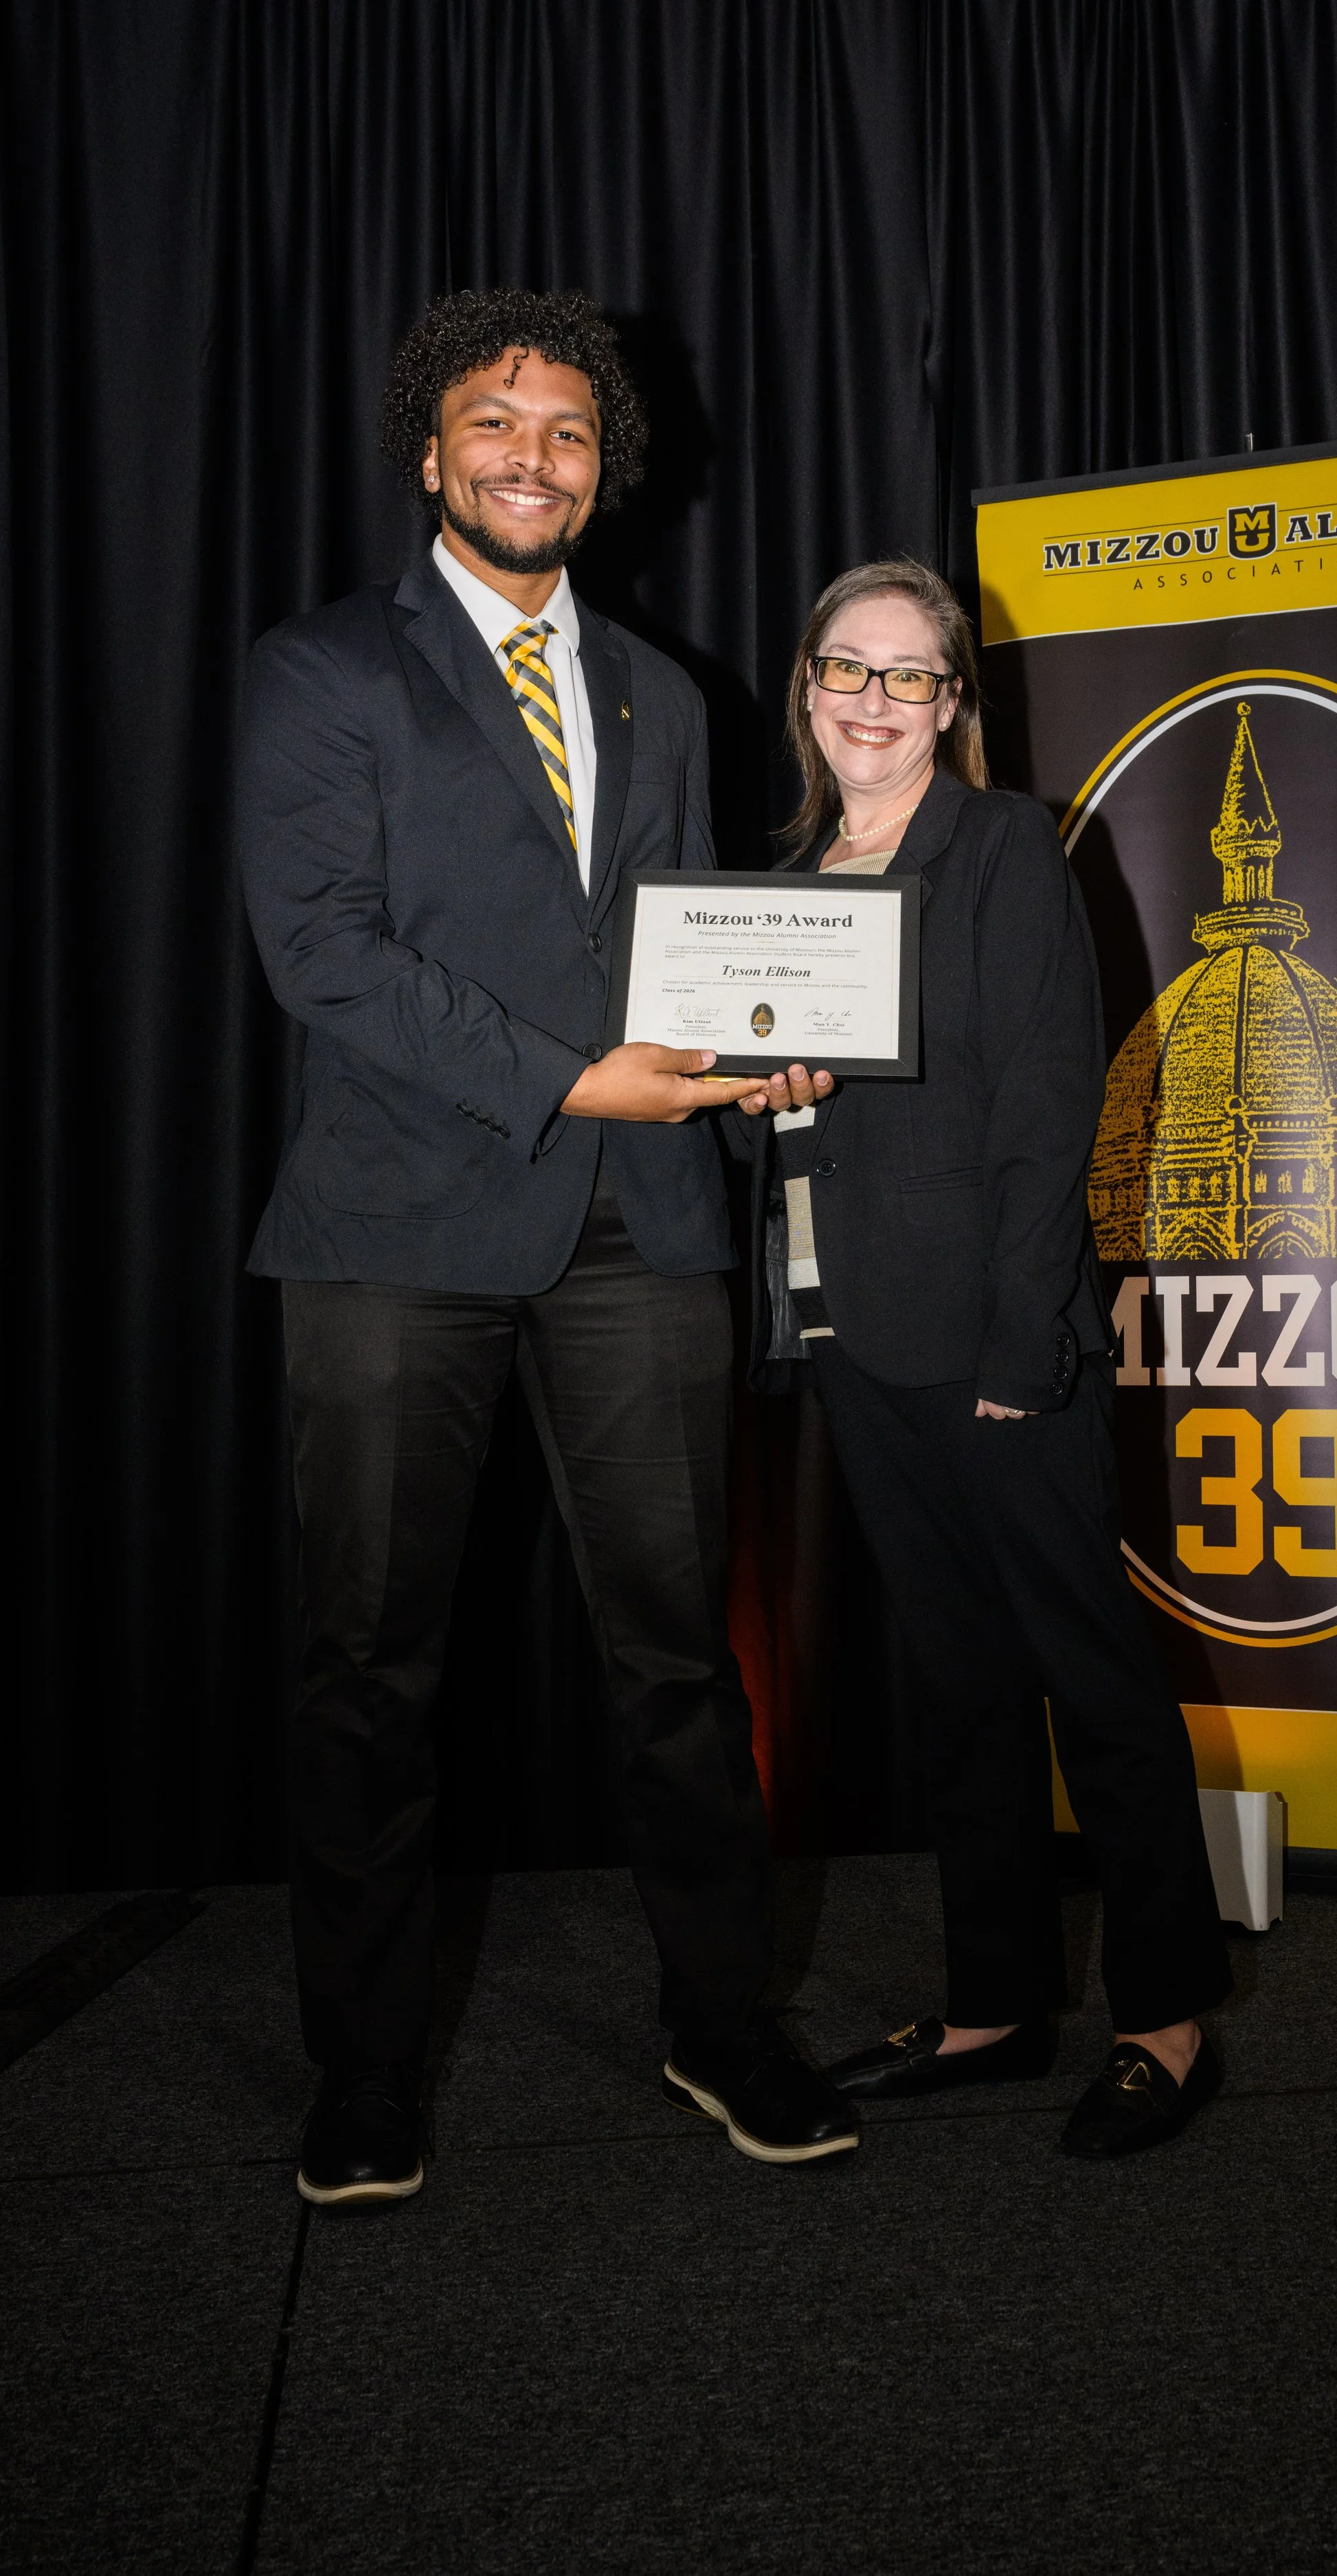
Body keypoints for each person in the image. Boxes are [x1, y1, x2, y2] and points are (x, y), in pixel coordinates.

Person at [239, 288, 856, 2202]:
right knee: (371, 1666)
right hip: (391, 1233)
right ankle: (362, 2067)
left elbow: (683, 943)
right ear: (431, 451)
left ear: (607, 471)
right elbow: (322, 949)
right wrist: (575, 1079)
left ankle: (718, 2017)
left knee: (683, 1663)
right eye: (495, 423)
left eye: (570, 431)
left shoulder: (665, 693)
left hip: (643, 1234)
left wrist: (758, 1048)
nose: (533, 454)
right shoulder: (322, 669)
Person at [737, 559, 1233, 2158]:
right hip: (852, 1335)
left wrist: (1027, 1342)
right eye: (845, 668)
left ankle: (1161, 2014)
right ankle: (993, 2003)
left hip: (994, 1342)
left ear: (952, 705)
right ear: (807, 685)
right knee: (954, 1689)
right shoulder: (788, 873)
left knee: (1091, 1681)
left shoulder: (1004, 844)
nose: (871, 700)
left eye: (908, 676)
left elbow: (1047, 1105)